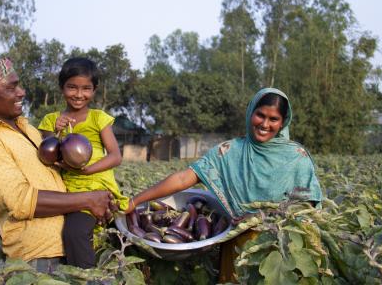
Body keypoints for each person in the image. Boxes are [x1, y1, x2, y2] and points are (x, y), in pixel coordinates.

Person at [125, 87, 322, 282]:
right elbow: (184, 179)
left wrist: (262, 217)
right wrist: (135, 201)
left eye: (273, 119)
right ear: (250, 113)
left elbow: (307, 205)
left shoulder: (297, 158)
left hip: (281, 251)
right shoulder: (228, 152)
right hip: (239, 247)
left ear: (283, 123)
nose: (264, 124)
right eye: (260, 115)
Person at [0, 58, 116, 273]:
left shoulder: (28, 129)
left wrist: (100, 201)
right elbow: (21, 201)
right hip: (40, 260)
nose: (22, 92)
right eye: (11, 87)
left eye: (19, 84)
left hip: (70, 246)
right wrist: (88, 199)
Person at [38, 57, 128, 269]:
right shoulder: (51, 120)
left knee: (75, 232)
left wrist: (88, 170)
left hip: (95, 187)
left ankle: (88, 279)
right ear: (62, 88)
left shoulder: (98, 118)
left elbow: (115, 156)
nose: (79, 94)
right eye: (72, 87)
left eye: (86, 88)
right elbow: (46, 155)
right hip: (65, 190)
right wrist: (56, 132)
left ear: (94, 90)